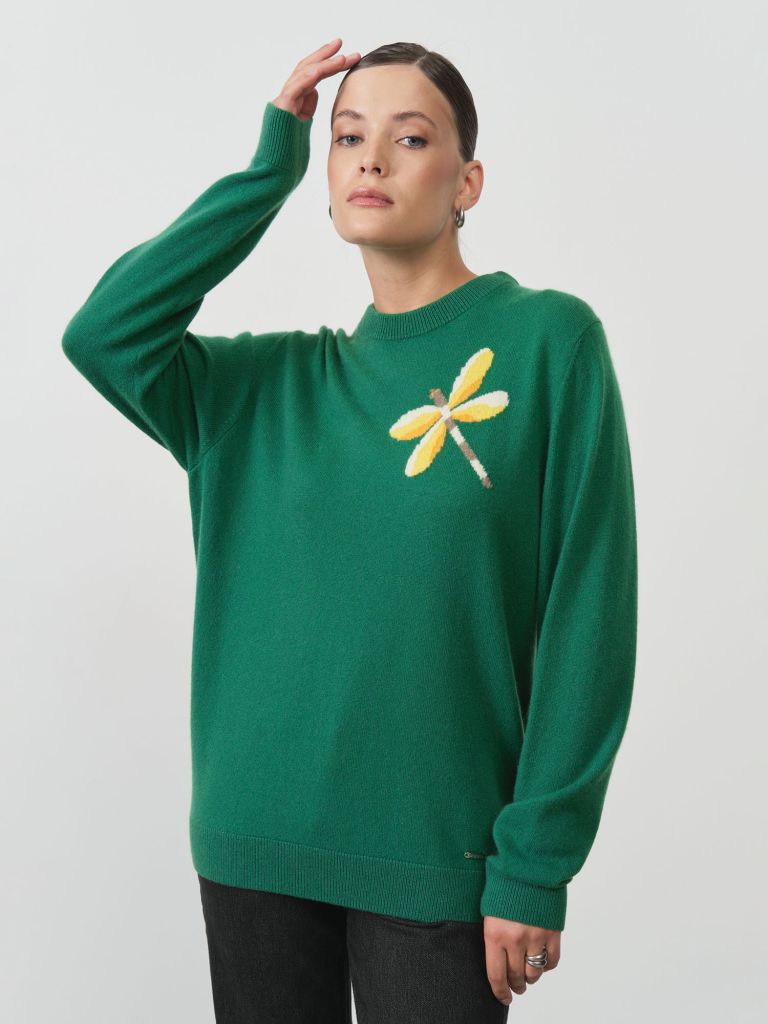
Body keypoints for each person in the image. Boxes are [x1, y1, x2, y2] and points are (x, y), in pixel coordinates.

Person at [61, 37, 638, 1024]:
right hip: (254, 848)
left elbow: (591, 611)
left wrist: (536, 862)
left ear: (467, 182)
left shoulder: (549, 343)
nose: (370, 158)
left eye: (409, 137)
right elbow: (104, 334)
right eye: (346, 137)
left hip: (440, 858)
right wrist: (266, 170)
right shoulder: (258, 390)